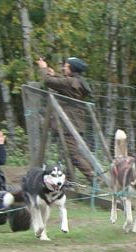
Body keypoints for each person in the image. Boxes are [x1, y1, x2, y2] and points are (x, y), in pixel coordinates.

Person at [36, 56, 95, 184]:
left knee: (73, 154)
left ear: (72, 68)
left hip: (69, 123)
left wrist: (44, 68)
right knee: (69, 152)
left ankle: (93, 178)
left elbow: (48, 81)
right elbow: (63, 83)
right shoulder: (77, 81)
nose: (63, 68)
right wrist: (54, 74)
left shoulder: (70, 83)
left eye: (66, 66)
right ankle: (70, 180)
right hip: (75, 122)